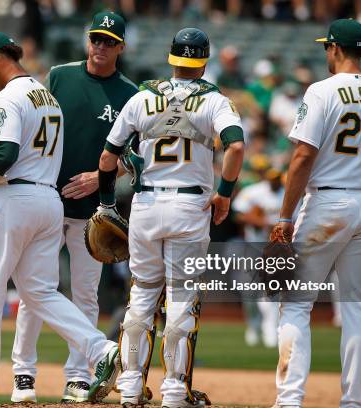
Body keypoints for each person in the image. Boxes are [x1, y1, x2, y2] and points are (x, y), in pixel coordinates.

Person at [0, 32, 120, 405]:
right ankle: (100, 349)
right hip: (47, 201)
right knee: (39, 292)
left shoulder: (7, 97)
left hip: (12, 199)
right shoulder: (47, 96)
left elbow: (3, 155)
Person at [97, 27, 245, 408]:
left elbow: (107, 159)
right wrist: (224, 195)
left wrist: (107, 204)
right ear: (204, 60)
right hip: (189, 207)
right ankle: (175, 392)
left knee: (142, 295)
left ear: (171, 57)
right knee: (181, 298)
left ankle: (130, 389)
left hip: (146, 206)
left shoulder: (142, 96)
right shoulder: (216, 101)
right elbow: (236, 147)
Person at [270, 19, 361, 407]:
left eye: (326, 48)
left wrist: (285, 216)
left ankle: (289, 400)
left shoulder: (322, 90)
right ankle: (354, 402)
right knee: (357, 310)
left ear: (335, 49)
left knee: (297, 302)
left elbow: (303, 156)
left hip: (328, 202)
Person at [11, 11, 138, 403]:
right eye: (95, 38)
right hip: (48, 199)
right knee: (36, 289)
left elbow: (134, 155)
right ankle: (23, 374)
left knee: (85, 294)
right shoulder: (60, 76)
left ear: (121, 46)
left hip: (92, 210)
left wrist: (100, 175)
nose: (100, 46)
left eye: (108, 41)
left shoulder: (130, 93)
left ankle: (78, 377)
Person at [233, 168, 284, 348]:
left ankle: (271, 328)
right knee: (249, 290)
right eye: (272, 179)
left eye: (277, 178)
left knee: (274, 291)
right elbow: (238, 214)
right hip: (253, 246)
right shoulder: (254, 192)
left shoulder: (287, 192)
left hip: (277, 248)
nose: (274, 182)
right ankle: (253, 325)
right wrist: (262, 222)